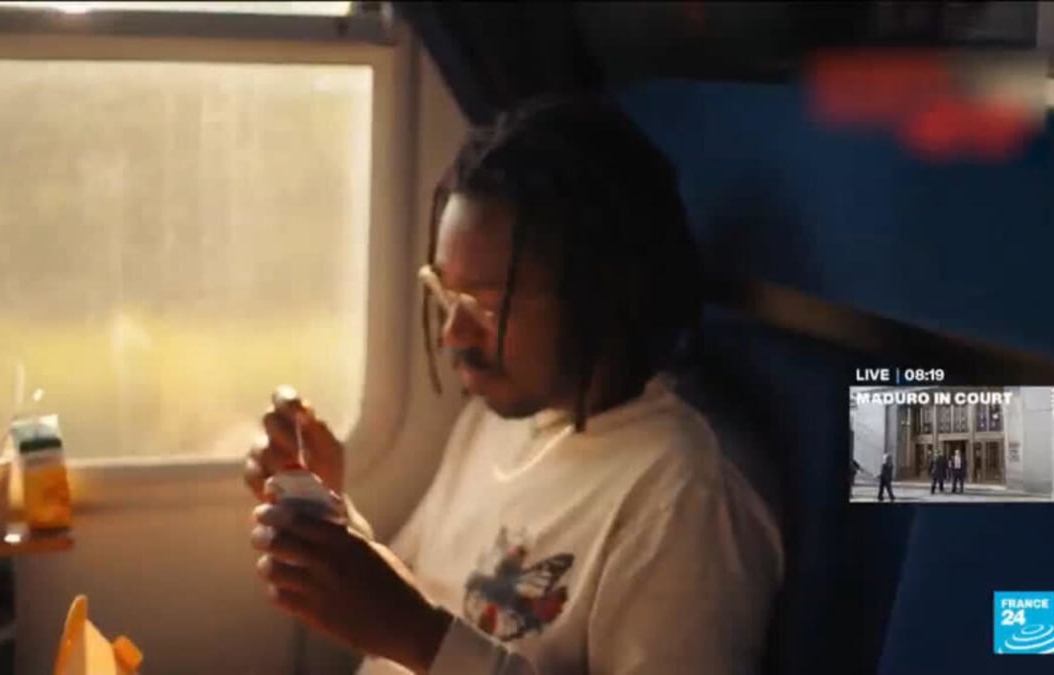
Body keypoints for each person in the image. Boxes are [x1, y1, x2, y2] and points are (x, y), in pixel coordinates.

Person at [244, 97, 783, 674]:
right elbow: (409, 606)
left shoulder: (682, 496)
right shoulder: (498, 419)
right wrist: (333, 526)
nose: (453, 333)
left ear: (600, 296)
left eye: (489, 305)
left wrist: (419, 637)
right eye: (446, 294)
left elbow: (416, 630)